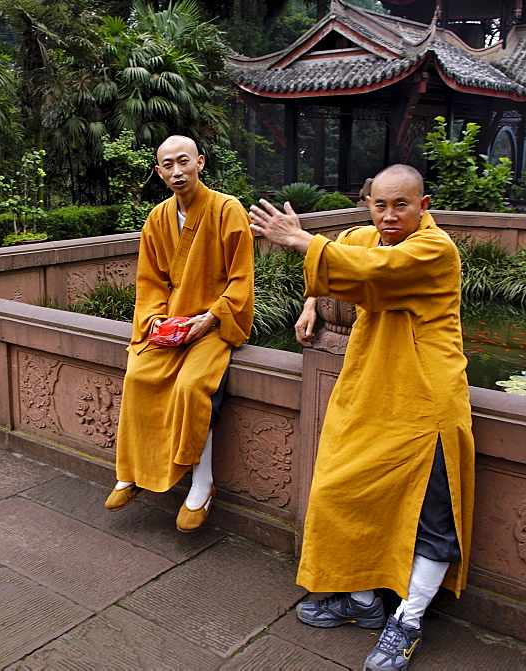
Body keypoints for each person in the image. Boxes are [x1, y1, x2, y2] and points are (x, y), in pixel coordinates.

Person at [248, 164, 474, 670]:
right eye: (380, 205)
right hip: (376, 394)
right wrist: (311, 300)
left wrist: (301, 242)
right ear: (368, 204)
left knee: (432, 521)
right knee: (341, 490)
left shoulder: (435, 250)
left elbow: (370, 273)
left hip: (427, 402)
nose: (390, 216)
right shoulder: (370, 235)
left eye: (402, 206)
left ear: (424, 205)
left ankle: (408, 621)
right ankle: (366, 600)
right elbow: (347, 254)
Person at [105, 135, 254, 533]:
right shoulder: (157, 218)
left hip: (213, 325)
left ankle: (201, 484)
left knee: (191, 388)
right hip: (172, 325)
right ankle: (133, 472)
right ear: (158, 172)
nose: (176, 171)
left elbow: (241, 279)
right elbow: (149, 280)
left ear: (200, 163)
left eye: (183, 161)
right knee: (138, 375)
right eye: (167, 165)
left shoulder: (227, 210)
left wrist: (211, 318)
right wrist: (154, 320)